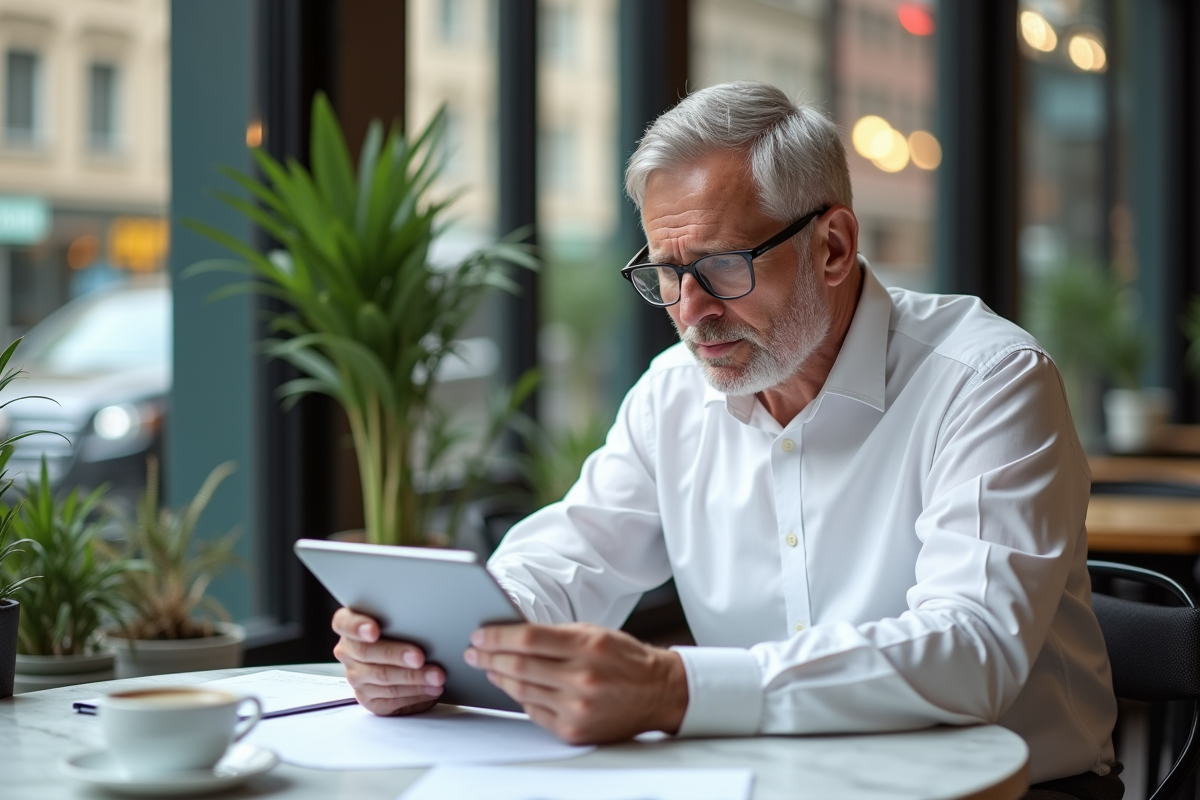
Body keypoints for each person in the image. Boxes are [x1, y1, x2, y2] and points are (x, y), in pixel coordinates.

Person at [332, 82, 1119, 796]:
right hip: (765, 783)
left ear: (833, 246)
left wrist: (675, 687)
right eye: (667, 272)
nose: (691, 311)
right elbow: (573, 555)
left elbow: (972, 650)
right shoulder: (672, 395)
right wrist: (434, 646)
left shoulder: (988, 380)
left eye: (721, 266)